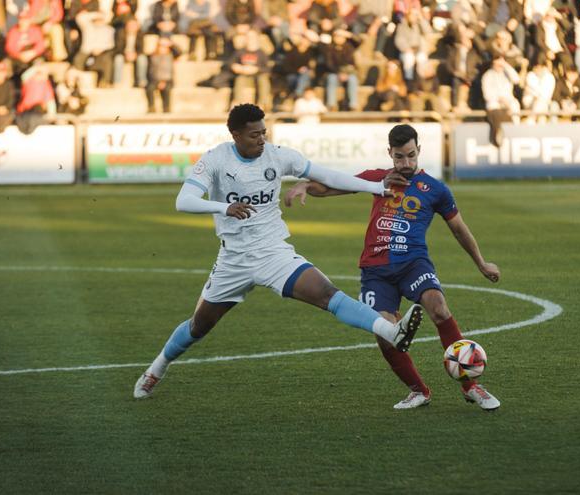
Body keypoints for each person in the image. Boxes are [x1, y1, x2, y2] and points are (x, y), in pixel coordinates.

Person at [133, 104, 424, 399]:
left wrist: (374, 187)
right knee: (199, 325)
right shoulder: (216, 160)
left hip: (273, 252)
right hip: (233, 259)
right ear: (235, 134)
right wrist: (225, 207)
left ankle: (392, 332)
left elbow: (328, 175)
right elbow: (184, 201)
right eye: (254, 135)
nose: (261, 139)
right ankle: (156, 368)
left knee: (327, 294)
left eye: (264, 133)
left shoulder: (279, 155)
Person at [283, 124, 502, 411]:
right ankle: (418, 390)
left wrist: (481, 263)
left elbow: (459, 229)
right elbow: (333, 186)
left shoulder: (435, 189)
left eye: (411, 156)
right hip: (375, 270)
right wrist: (306, 186)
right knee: (384, 331)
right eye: (399, 157)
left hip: (413, 263)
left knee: (438, 307)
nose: (406, 164)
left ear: (419, 150)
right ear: (390, 153)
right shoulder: (378, 179)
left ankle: (471, 386)